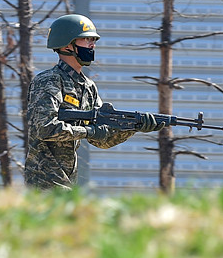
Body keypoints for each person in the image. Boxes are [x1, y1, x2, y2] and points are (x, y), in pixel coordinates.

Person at [24, 14, 165, 189]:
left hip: (68, 183)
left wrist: (134, 127)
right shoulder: (48, 81)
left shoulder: (88, 87)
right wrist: (88, 131)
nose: (92, 45)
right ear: (67, 45)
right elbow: (45, 128)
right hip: (43, 183)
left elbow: (102, 139)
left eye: (93, 40)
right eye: (86, 39)